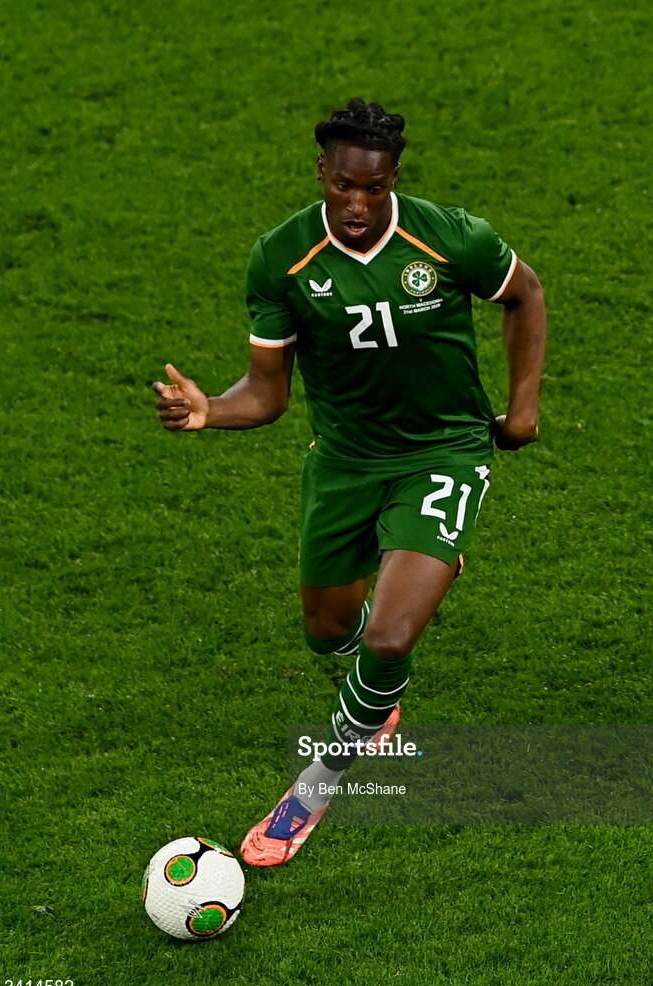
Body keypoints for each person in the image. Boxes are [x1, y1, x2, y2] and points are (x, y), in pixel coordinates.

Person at [153, 98, 546, 867]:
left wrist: (522, 411)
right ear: (322, 175)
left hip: (444, 450)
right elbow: (266, 395)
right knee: (330, 632)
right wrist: (210, 411)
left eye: (374, 188)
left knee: (388, 635)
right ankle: (417, 578)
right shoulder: (282, 259)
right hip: (344, 461)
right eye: (342, 187)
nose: (358, 205)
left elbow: (524, 293)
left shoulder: (450, 236)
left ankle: (315, 785)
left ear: (393, 177)